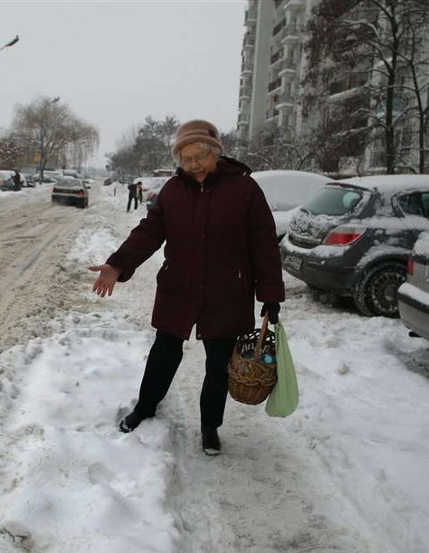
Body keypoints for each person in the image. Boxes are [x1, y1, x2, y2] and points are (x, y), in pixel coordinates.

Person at [89, 119, 284, 456]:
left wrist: (270, 295)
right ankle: (146, 407)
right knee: (163, 353)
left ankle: (210, 427)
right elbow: (148, 232)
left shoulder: (244, 190)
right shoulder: (173, 191)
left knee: (219, 365)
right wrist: (118, 263)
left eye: (200, 157)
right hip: (178, 287)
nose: (193, 165)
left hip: (227, 292)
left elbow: (264, 244)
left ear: (216, 154)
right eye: (186, 159)